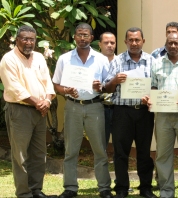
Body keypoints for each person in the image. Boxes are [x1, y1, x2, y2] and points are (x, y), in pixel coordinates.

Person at [52, 23, 112, 198]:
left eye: (86, 35)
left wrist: (101, 86)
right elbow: (56, 84)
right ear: (74, 37)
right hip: (72, 107)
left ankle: (104, 187)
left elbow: (109, 85)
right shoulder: (65, 59)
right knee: (71, 149)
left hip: (95, 107)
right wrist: (66, 90)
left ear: (92, 38)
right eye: (79, 34)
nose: (82, 38)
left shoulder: (101, 59)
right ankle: (70, 187)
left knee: (100, 149)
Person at [0, 25, 55, 198]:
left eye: (32, 39)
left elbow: (47, 81)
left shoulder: (38, 57)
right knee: (21, 154)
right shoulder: (8, 59)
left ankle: (36, 190)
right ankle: (24, 193)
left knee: (39, 153)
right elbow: (14, 88)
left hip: (40, 111)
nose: (28, 42)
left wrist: (46, 100)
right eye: (24, 39)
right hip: (20, 111)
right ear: (17, 40)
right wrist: (38, 103)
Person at [103, 27, 157, 198]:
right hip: (122, 113)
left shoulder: (151, 61)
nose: (134, 43)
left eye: (137, 40)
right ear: (125, 41)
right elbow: (107, 88)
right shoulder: (117, 61)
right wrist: (115, 80)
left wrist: (151, 96)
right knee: (120, 152)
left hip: (144, 113)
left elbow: (156, 85)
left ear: (143, 41)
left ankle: (146, 187)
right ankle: (121, 188)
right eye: (131, 40)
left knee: (144, 152)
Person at [145, 33, 178, 198]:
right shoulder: (157, 63)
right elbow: (152, 86)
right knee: (163, 154)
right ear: (165, 44)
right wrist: (151, 98)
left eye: (176, 43)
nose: (173, 46)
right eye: (170, 43)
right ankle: (166, 191)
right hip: (162, 115)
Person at [98, 32, 117, 147]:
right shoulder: (93, 62)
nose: (109, 45)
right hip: (99, 107)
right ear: (100, 44)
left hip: (118, 109)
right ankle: (100, 165)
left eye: (112, 42)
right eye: (106, 42)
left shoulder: (121, 61)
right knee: (100, 145)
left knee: (119, 144)